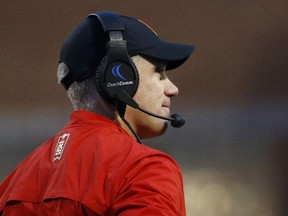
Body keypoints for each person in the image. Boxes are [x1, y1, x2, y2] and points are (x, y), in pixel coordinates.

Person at [0, 11, 194, 215]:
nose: (173, 89)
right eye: (159, 72)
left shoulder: (12, 185)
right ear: (119, 79)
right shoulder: (144, 170)